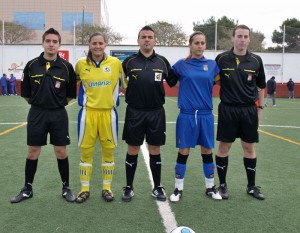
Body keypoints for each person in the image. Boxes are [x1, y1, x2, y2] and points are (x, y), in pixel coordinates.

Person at [10, 28, 77, 203]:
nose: (51, 44)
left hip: (58, 115)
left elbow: (70, 94)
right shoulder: (32, 65)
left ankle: (66, 187)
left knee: (61, 151)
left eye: (55, 42)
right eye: (48, 41)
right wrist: (40, 103)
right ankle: (27, 188)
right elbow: (25, 93)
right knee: (33, 151)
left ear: (59, 45)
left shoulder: (66, 67)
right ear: (43, 43)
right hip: (37, 114)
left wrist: (55, 104)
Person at [121, 25, 178, 202]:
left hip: (156, 112)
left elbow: (175, 81)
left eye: (150, 37)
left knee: (155, 149)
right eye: (143, 37)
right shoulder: (128, 62)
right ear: (138, 40)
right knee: (133, 149)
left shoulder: (163, 62)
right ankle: (129, 187)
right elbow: (119, 82)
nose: (147, 39)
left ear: (155, 40)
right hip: (134, 112)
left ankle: (157, 187)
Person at [215, 25, 266, 200]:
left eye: (245, 36)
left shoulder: (256, 60)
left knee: (249, 148)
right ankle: (222, 186)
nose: (242, 39)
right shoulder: (221, 59)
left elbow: (261, 87)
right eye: (239, 36)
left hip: (249, 110)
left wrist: (259, 109)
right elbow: (215, 81)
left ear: (249, 39)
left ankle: (251, 187)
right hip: (228, 109)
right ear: (233, 38)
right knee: (224, 147)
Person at [169, 31, 222, 202]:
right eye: (196, 43)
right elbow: (170, 80)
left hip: (206, 115)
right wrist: (183, 86)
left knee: (207, 151)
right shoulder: (181, 65)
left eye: (202, 43)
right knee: (184, 150)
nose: (199, 46)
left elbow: (220, 82)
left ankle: (210, 188)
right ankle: (178, 189)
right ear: (190, 45)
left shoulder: (212, 65)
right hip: (187, 115)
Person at [75, 32, 125, 203]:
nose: (97, 46)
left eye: (100, 43)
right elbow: (70, 84)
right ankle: (84, 189)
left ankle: (107, 188)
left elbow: (127, 84)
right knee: (86, 152)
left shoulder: (116, 63)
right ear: (89, 45)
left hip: (108, 114)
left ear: (105, 45)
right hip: (88, 113)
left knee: (108, 152)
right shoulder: (80, 64)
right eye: (94, 43)